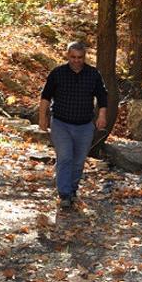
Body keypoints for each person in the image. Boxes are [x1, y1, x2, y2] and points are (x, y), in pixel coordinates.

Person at [39, 42, 107, 209]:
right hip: (61, 123)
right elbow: (45, 97)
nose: (76, 61)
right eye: (73, 57)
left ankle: (72, 190)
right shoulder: (58, 73)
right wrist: (42, 118)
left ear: (85, 57)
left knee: (78, 161)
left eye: (80, 58)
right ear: (67, 56)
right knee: (65, 157)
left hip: (84, 125)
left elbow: (102, 97)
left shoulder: (93, 74)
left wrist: (102, 116)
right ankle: (64, 194)